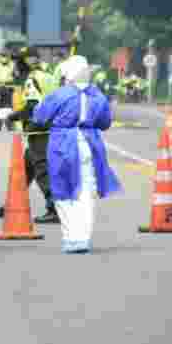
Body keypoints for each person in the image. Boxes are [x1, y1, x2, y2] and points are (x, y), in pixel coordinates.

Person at [31, 56, 122, 253]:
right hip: (90, 144)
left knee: (62, 189)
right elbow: (105, 123)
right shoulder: (98, 96)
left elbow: (39, 116)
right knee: (86, 192)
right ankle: (83, 238)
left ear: (67, 74)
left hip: (63, 144)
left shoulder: (60, 94)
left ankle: (71, 237)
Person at [0, 47, 60, 224]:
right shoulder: (47, 75)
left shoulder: (32, 79)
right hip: (49, 126)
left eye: (18, 61)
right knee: (24, 170)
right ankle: (10, 205)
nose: (15, 65)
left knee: (42, 170)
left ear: (26, 62)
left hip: (40, 129)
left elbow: (32, 106)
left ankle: (54, 208)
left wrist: (12, 116)